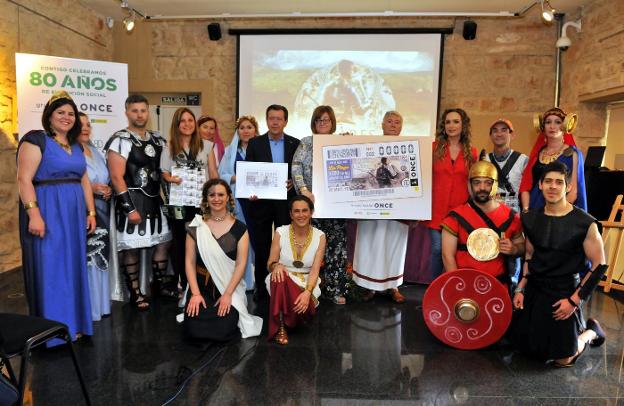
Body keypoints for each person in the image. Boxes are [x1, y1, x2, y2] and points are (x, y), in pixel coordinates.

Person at [17, 91, 96, 342]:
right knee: (52, 269)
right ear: (49, 116)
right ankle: (52, 332)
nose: (67, 117)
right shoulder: (36, 140)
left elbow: (84, 181)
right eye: (60, 112)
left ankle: (74, 325)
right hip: (48, 211)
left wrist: (91, 211)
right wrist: (34, 215)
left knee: (73, 267)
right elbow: (23, 179)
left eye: (71, 113)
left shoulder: (76, 145)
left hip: (73, 215)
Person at [511, 161, 607, 367]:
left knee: (563, 359)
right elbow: (529, 255)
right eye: (548, 181)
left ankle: (590, 333)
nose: (552, 186)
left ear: (568, 187)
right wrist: (521, 288)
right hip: (536, 289)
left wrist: (573, 301)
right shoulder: (530, 219)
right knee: (525, 350)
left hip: (565, 292)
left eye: (558, 182)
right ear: (540, 185)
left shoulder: (585, 222)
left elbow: (599, 265)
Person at [105, 94, 172, 310]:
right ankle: (134, 292)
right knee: (131, 249)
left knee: (163, 242)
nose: (139, 114)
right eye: (134, 111)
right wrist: (129, 208)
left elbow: (163, 171)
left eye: (143, 110)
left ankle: (159, 285)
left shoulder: (158, 139)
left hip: (155, 201)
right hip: (132, 200)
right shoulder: (120, 140)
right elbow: (116, 177)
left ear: (148, 112)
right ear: (126, 112)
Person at [184, 179, 263, 340]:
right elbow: (189, 262)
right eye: (211, 195)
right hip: (201, 288)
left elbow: (241, 264)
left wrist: (228, 295)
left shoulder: (240, 228)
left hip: (229, 287)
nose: (216, 199)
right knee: (194, 329)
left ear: (228, 197)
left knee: (224, 328)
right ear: (206, 198)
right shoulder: (196, 226)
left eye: (221, 194)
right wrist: (195, 294)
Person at [291, 105, 349, 305]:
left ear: (332, 122)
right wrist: (304, 190)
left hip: (336, 207)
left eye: (326, 120)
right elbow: (296, 167)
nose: (323, 123)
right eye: (319, 120)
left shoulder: (341, 142)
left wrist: (353, 142)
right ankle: (307, 289)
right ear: (313, 123)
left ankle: (335, 289)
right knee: (310, 249)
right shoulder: (306, 144)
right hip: (312, 207)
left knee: (336, 248)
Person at [351, 111, 409, 303]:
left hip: (398, 206)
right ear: (382, 125)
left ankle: (393, 286)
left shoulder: (408, 150)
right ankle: (369, 287)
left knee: (394, 245)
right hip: (370, 205)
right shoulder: (368, 146)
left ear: (401, 127)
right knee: (370, 244)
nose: (393, 125)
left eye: (397, 122)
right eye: (389, 122)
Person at [161, 107, 218, 299]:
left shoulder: (207, 146)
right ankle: (183, 286)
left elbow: (213, 173)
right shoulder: (169, 147)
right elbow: (164, 174)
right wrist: (171, 180)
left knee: (202, 243)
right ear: (177, 125)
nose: (187, 124)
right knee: (179, 244)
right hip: (178, 203)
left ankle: (202, 286)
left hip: (200, 204)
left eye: (190, 121)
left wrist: (216, 197)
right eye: (183, 121)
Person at [245, 105, 301, 300]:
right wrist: (250, 191)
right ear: (266, 120)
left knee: (284, 245)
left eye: (279, 118)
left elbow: (299, 172)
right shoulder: (254, 143)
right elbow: (249, 173)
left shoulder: (296, 143)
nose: (275, 122)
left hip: (285, 203)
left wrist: (293, 182)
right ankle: (261, 286)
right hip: (260, 203)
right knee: (261, 246)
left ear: (285, 121)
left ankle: (283, 286)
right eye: (271, 118)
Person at [441, 160, 524, 282]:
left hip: (497, 285)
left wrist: (514, 249)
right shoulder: (455, 217)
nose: (482, 188)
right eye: (477, 183)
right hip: (464, 283)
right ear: (470, 185)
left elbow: (522, 246)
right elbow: (447, 256)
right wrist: (458, 285)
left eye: (488, 183)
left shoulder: (511, 217)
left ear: (495, 184)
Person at [422, 108, 477, 281]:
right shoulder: (432, 148)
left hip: (459, 213)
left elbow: (473, 183)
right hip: (436, 210)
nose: (451, 125)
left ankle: (452, 289)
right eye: (447, 122)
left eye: (456, 121)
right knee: (438, 250)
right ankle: (435, 288)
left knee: (454, 254)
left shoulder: (472, 152)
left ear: (463, 125)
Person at [266, 195, 326, 344]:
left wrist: (307, 292)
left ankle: (290, 318)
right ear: (291, 214)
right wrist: (276, 265)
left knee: (304, 309)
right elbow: (270, 263)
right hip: (282, 277)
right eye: (296, 211)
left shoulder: (320, 236)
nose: (301, 215)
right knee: (279, 277)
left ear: (311, 212)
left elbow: (314, 270)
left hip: (307, 281)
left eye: (305, 210)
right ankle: (280, 327)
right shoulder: (280, 232)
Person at [219, 115, 260, 290]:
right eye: (242, 127)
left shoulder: (262, 149)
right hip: (237, 201)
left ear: (255, 130)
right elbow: (222, 175)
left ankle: (255, 280)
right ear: (238, 131)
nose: (245, 130)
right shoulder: (230, 151)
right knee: (240, 240)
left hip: (258, 201)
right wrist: (237, 177)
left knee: (256, 240)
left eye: (249, 127)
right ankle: (242, 280)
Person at [78, 112, 112, 321]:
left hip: (103, 210)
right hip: (82, 212)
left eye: (89, 124)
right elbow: (71, 182)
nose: (86, 128)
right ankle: (88, 310)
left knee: (100, 256)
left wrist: (107, 190)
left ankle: (101, 306)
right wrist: (91, 188)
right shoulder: (70, 152)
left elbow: (105, 178)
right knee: (88, 258)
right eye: (81, 125)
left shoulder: (94, 151)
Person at [519, 107, 587, 213]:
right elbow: (526, 185)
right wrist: (526, 210)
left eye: (558, 122)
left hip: (561, 214)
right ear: (543, 126)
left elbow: (573, 191)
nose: (552, 126)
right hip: (534, 211)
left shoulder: (573, 154)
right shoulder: (538, 154)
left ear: (565, 125)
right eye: (548, 122)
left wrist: (555, 213)